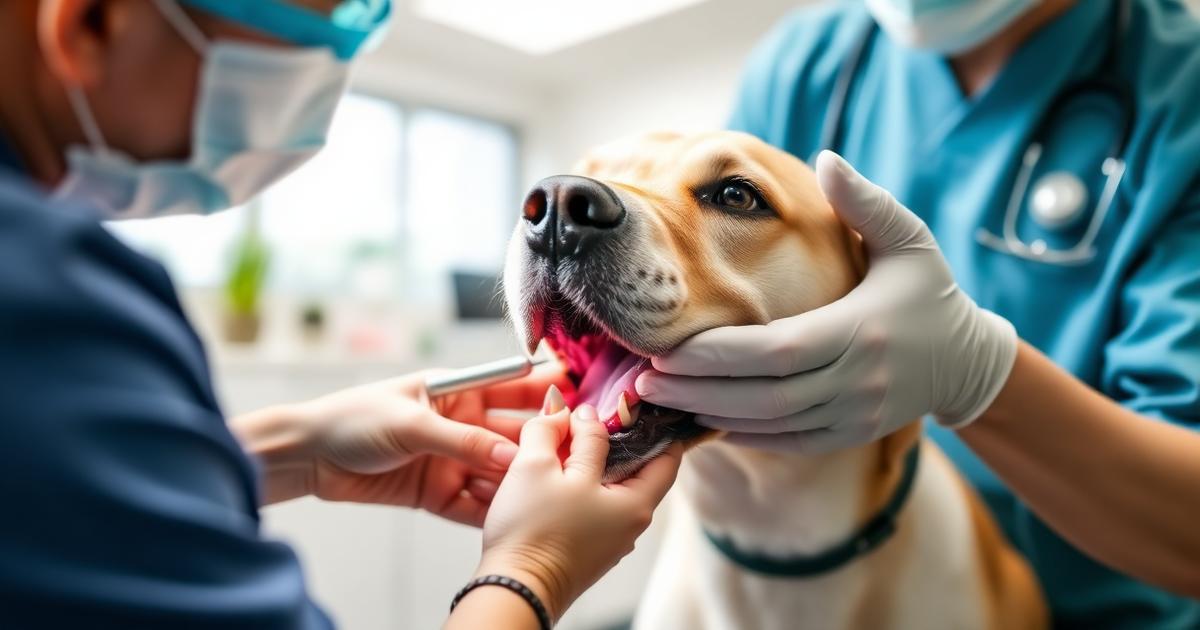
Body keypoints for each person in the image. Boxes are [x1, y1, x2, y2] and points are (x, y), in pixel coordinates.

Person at [0, 1, 682, 628]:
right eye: (288, 61)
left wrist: (301, 447)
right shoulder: (41, 299)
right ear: (91, 21)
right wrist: (531, 572)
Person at [636, 0, 1200, 627]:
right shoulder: (810, 64)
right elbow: (697, 301)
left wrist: (979, 375)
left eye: (736, 196)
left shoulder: (1182, 90)